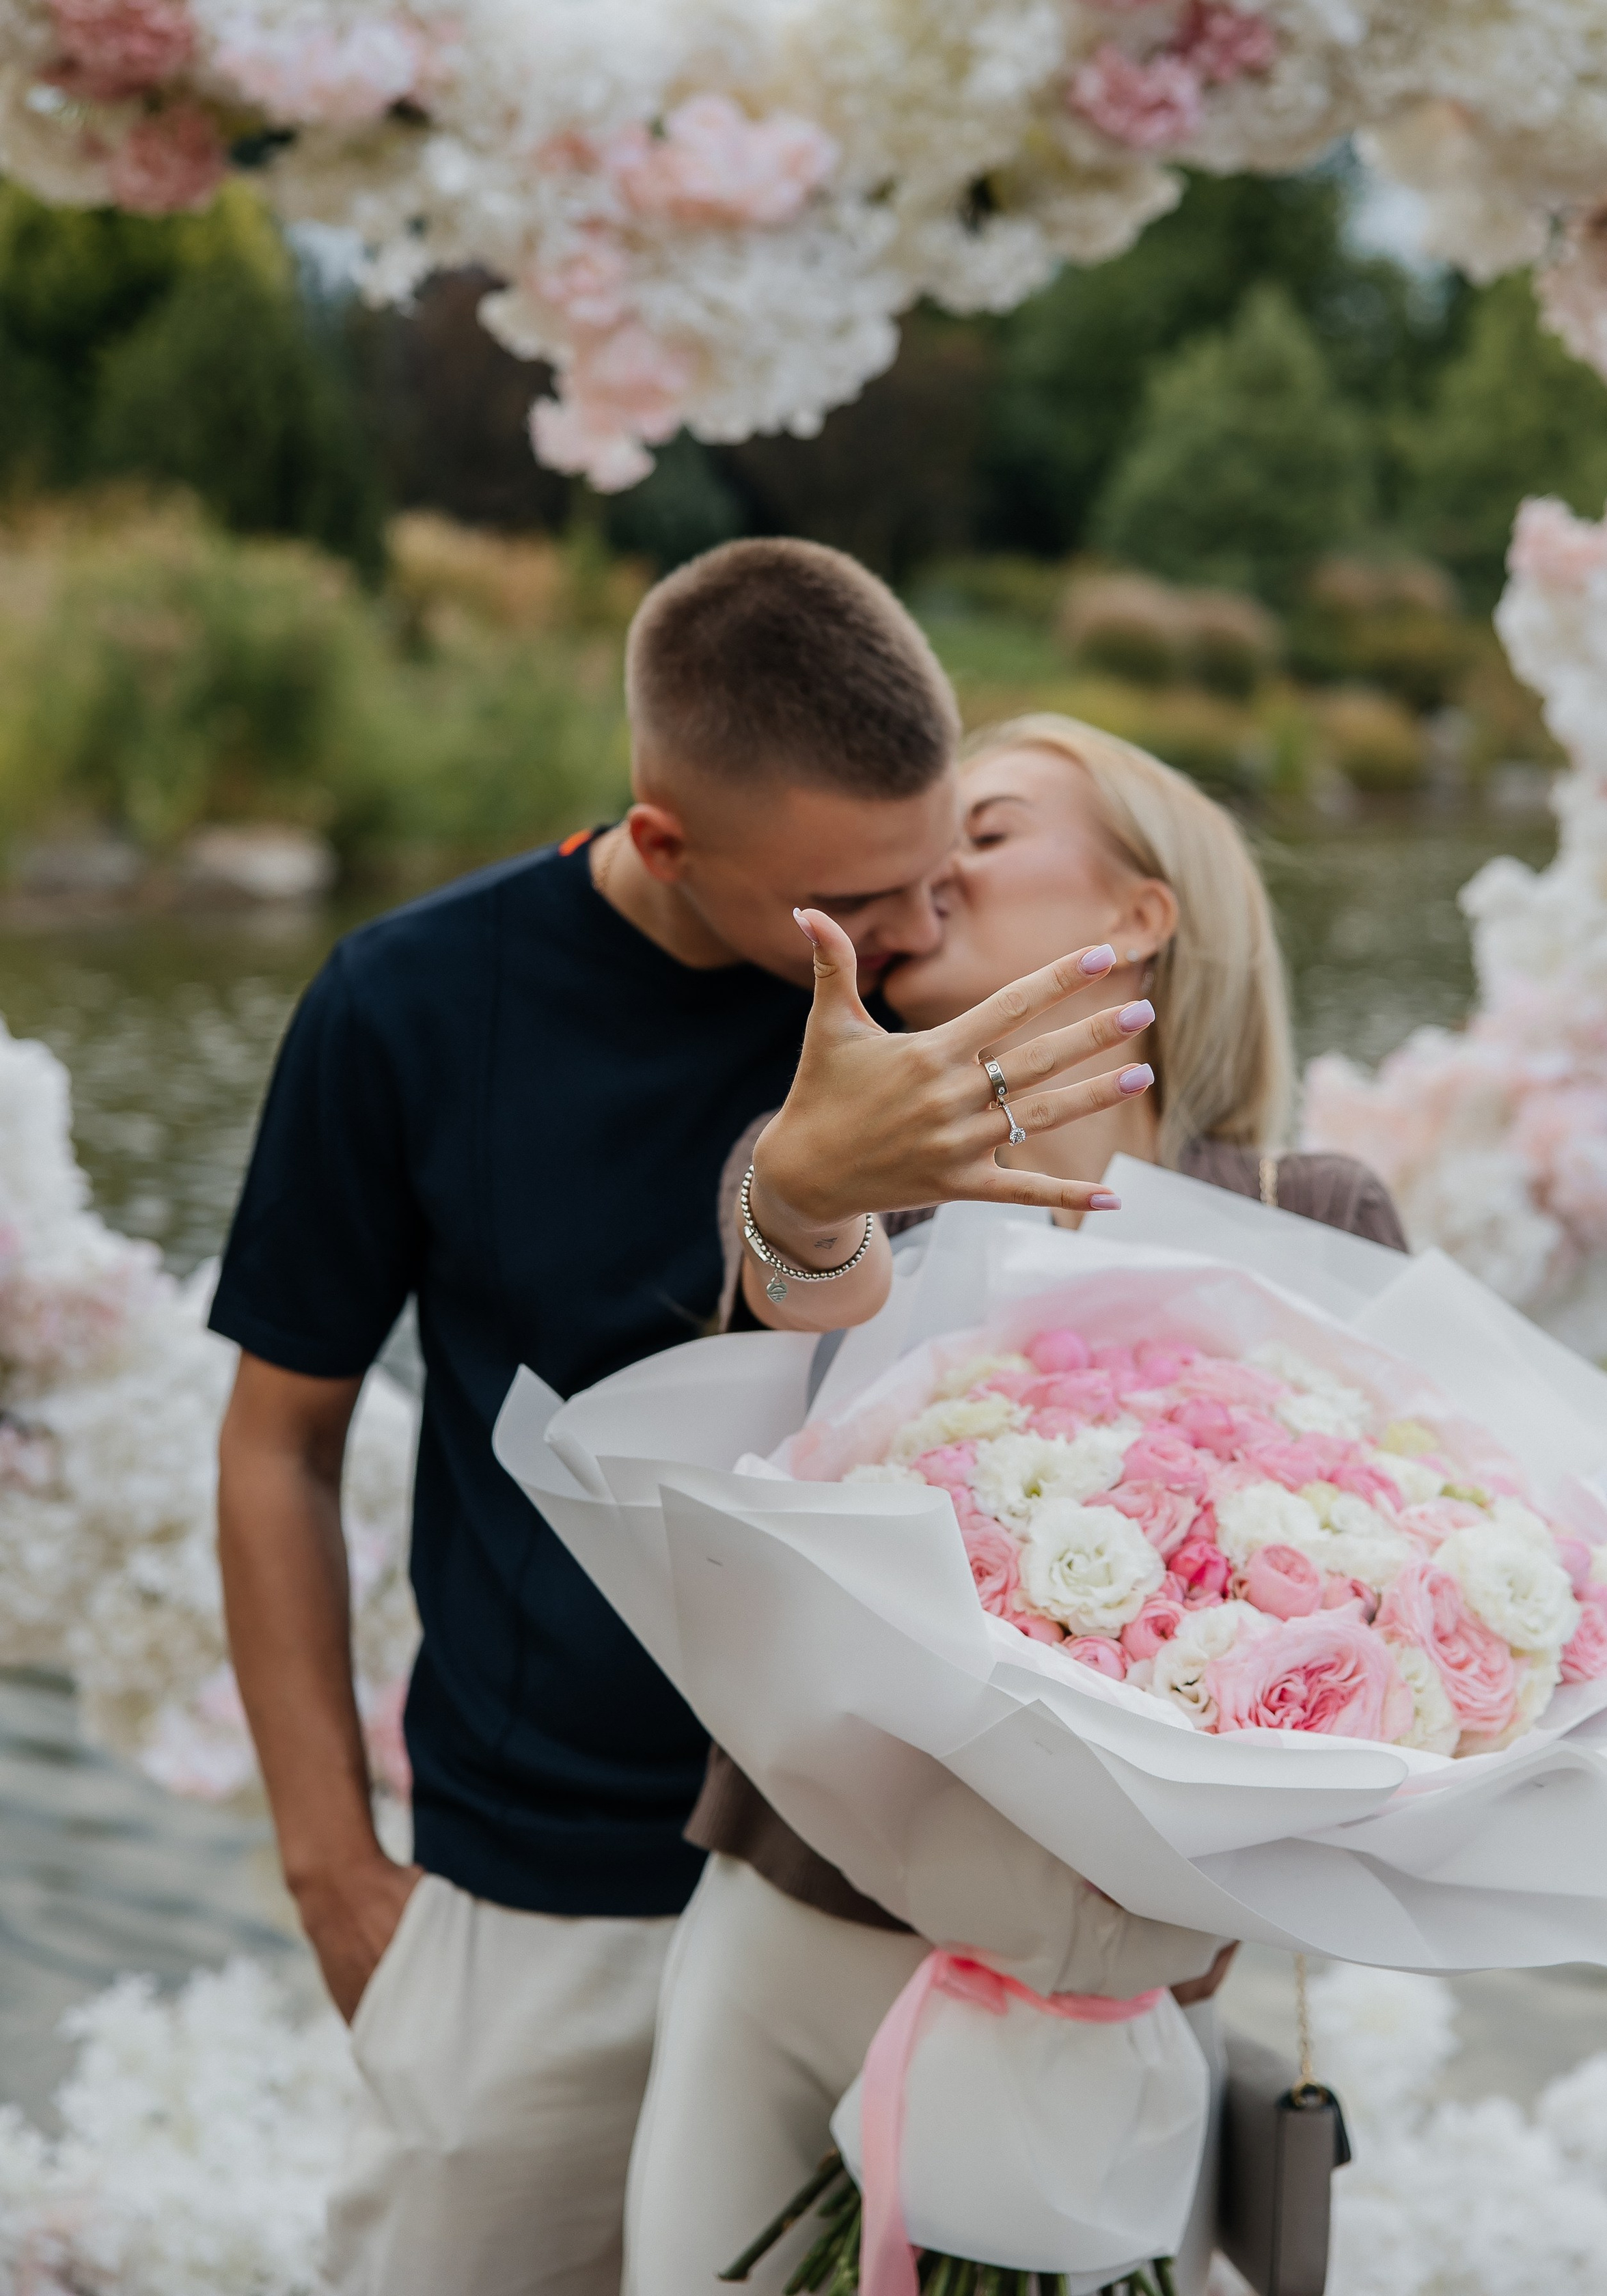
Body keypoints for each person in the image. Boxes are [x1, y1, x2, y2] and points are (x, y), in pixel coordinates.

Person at [210, 550, 1140, 2296]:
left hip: (876, 1897)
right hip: (543, 1884)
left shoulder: (949, 1009)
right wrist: (332, 1864)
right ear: (661, 843)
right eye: (856, 903)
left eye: (940, 870)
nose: (918, 936)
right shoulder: (407, 1007)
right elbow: (279, 1439)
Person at [622, 711, 1408, 2296]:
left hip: (1124, 2014)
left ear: (1137, 911)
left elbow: (1399, 1588)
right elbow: (787, 1287)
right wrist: (808, 1194)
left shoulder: (1314, 1217)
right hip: (795, 1952)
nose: (930, 875)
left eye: (979, 833)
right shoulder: (839, 1173)